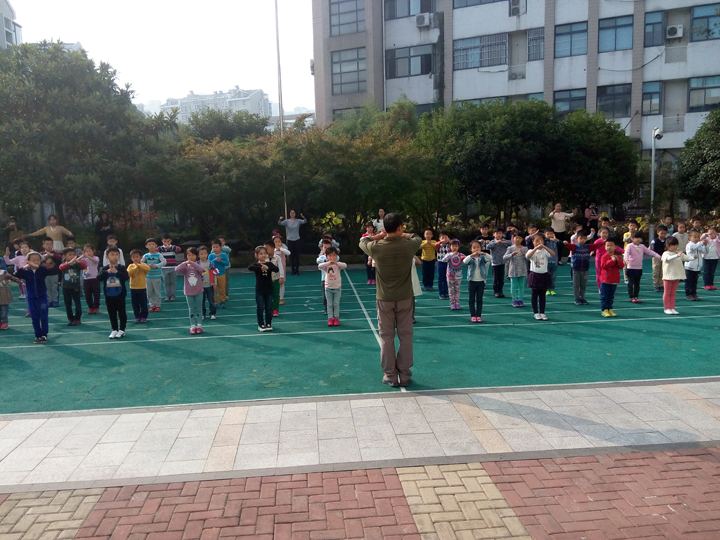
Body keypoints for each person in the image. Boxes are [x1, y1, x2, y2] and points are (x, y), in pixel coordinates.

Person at [359, 213, 422, 388]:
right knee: (406, 336)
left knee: (387, 337)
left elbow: (362, 241)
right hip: (405, 297)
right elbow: (416, 237)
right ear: (400, 227)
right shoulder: (408, 245)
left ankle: (390, 375)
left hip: (384, 298)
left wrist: (381, 235)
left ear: (384, 228)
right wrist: (400, 234)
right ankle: (405, 374)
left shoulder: (376, 247)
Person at [15, 251, 59, 343]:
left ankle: (44, 335)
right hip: (31, 298)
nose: (35, 262)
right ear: (28, 261)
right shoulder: (26, 272)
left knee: (43, 316)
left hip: (42, 297)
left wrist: (38, 266)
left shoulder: (41, 270)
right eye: (33, 260)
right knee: (34, 317)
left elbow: (47, 271)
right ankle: (37, 335)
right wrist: (25, 266)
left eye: (38, 260)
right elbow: (16, 274)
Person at [98, 247, 129, 339]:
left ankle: (122, 330)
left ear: (119, 256)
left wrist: (117, 272)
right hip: (108, 295)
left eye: (116, 255)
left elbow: (126, 277)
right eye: (112, 255)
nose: (115, 257)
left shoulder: (121, 268)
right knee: (112, 313)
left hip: (120, 294)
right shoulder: (104, 268)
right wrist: (106, 272)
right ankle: (114, 329)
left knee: (121, 312)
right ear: (107, 257)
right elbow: (98, 278)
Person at [248, 245, 279, 332]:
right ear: (256, 255)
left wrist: (267, 268)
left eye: (265, 253)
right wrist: (260, 267)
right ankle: (261, 324)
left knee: (269, 307)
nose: (263, 255)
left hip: (269, 289)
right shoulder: (256, 265)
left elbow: (276, 269)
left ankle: (268, 323)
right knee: (260, 308)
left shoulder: (269, 264)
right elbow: (250, 267)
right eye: (261, 254)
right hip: (259, 290)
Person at [623, 232, 660, 303]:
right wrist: (626, 259)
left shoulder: (642, 246)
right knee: (630, 283)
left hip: (639, 268)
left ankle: (636, 297)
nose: (638, 239)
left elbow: (649, 252)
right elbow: (626, 253)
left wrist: (658, 256)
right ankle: (631, 297)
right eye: (636, 238)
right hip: (631, 268)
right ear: (632, 238)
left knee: (637, 284)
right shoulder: (629, 246)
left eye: (639, 238)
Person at [176, 247, 206, 334]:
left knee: (199, 308)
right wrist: (185, 263)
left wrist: (193, 264)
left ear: (196, 256)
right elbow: (177, 269)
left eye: (193, 255)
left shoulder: (198, 265)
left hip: (199, 291)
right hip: (188, 292)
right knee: (191, 309)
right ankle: (193, 326)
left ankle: (199, 325)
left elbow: (202, 270)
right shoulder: (185, 267)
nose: (191, 257)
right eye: (189, 255)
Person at [564, 230, 597, 305]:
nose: (582, 240)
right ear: (577, 239)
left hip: (585, 269)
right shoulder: (574, 247)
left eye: (584, 238)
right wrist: (565, 243)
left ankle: (582, 297)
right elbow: (568, 245)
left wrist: (604, 241)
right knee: (576, 285)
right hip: (576, 269)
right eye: (581, 238)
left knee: (583, 285)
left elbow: (597, 245)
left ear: (586, 239)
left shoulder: (588, 247)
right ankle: (577, 298)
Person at [526, 234, 554, 320]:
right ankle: (536, 313)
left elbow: (553, 254)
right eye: (536, 241)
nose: (539, 243)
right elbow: (528, 256)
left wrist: (544, 247)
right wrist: (536, 248)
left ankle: (542, 312)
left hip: (544, 275)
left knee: (542, 295)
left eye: (541, 241)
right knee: (534, 295)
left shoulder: (545, 251)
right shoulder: (531, 250)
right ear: (533, 242)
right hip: (535, 275)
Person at [318, 246, 347, 326]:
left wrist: (336, 263)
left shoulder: (338, 265)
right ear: (326, 256)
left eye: (334, 255)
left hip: (337, 288)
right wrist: (328, 263)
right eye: (330, 256)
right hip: (328, 288)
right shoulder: (326, 265)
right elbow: (319, 266)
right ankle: (330, 318)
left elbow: (345, 265)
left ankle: (336, 318)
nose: (332, 257)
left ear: (336, 256)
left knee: (336, 304)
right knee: (329, 304)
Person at [662, 237, 691, 315]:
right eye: (673, 245)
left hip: (676, 276)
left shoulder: (678, 253)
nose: (675, 247)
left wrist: (693, 257)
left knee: (673, 293)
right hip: (668, 277)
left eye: (676, 245)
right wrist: (677, 256)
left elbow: (686, 258)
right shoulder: (666, 253)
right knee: (667, 293)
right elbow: (668, 259)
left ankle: (672, 308)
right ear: (668, 245)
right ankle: (666, 308)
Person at [464, 240, 492, 322]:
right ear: (471, 249)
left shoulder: (482, 257)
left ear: (481, 248)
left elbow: (490, 258)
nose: (476, 249)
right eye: (474, 247)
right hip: (472, 281)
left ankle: (479, 315)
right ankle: (473, 315)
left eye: (478, 247)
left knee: (479, 299)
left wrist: (484, 253)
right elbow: (464, 261)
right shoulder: (470, 258)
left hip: (481, 281)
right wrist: (471, 255)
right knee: (471, 299)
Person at [59, 248, 87, 326]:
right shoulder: (64, 264)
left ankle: (77, 318)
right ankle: (70, 318)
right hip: (66, 287)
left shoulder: (77, 264)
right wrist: (69, 263)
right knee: (68, 304)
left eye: (73, 255)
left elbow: (84, 266)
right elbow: (61, 268)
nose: (72, 256)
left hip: (76, 287)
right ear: (64, 256)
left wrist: (78, 261)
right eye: (70, 255)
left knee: (77, 303)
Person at [592, 227, 624, 292]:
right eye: (603, 233)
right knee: (599, 273)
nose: (605, 234)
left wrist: (625, 251)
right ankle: (600, 287)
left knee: (608, 272)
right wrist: (591, 251)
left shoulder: (609, 242)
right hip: (599, 260)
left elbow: (617, 248)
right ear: (600, 233)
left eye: (606, 233)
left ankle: (609, 285)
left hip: (608, 259)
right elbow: (593, 247)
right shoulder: (598, 241)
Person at [278, 210, 307, 276]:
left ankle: (297, 270)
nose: (292, 214)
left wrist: (303, 217)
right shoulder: (287, 221)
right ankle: (292, 270)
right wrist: (280, 219)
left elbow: (305, 221)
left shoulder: (298, 221)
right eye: (291, 213)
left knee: (297, 256)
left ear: (295, 214)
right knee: (291, 256)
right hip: (290, 240)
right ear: (289, 214)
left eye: (293, 213)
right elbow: (279, 223)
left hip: (297, 239)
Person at [599, 239, 624, 318]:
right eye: (607, 245)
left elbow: (621, 266)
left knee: (611, 296)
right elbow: (604, 265)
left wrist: (617, 260)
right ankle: (604, 310)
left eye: (611, 245)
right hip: (605, 280)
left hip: (614, 281)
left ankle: (610, 309)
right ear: (605, 247)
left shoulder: (617, 256)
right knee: (604, 296)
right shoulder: (604, 256)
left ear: (615, 247)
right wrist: (612, 261)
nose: (609, 247)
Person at [504, 233, 528, 308]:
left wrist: (524, 254)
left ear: (522, 239)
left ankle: (520, 299)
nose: (518, 239)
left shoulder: (525, 248)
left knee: (521, 285)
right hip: (513, 269)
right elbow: (504, 257)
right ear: (513, 238)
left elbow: (529, 258)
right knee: (513, 285)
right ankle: (514, 300)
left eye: (520, 238)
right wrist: (511, 254)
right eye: (516, 238)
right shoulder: (510, 248)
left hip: (522, 269)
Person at [127, 249, 150, 323]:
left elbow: (148, 269)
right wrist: (135, 267)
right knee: (135, 304)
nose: (135, 259)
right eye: (133, 257)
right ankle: (137, 316)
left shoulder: (143, 265)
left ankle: (144, 316)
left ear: (141, 257)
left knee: (143, 303)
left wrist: (139, 265)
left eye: (137, 257)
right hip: (133, 288)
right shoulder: (131, 266)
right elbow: (128, 273)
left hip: (142, 287)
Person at [442, 239, 465, 310]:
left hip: (458, 275)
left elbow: (467, 261)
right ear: (450, 246)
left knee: (457, 289)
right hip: (450, 275)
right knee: (451, 289)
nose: (454, 247)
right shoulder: (449, 255)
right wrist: (452, 254)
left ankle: (457, 303)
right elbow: (444, 260)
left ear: (458, 247)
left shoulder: (461, 255)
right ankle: (452, 303)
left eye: (456, 246)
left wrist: (464, 258)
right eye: (453, 246)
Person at [158, 234, 182, 302]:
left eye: (168, 241)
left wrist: (170, 247)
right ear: (162, 241)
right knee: (166, 283)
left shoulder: (173, 247)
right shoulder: (160, 248)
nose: (166, 243)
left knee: (173, 282)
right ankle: (167, 296)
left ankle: (172, 296)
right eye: (165, 241)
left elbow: (179, 249)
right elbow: (155, 250)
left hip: (173, 268)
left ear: (171, 241)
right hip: (164, 268)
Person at [684, 231, 707, 301]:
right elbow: (693, 248)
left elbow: (705, 251)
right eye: (695, 237)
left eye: (698, 237)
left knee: (694, 282)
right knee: (688, 282)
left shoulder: (698, 245)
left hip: (697, 268)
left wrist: (705, 245)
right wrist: (701, 243)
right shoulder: (689, 245)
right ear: (689, 237)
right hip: (689, 267)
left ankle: (694, 293)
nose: (697, 238)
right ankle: (688, 294)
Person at [40, 238, 63, 307]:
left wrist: (52, 255)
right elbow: (37, 259)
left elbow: (61, 258)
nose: (49, 246)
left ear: (53, 245)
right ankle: (49, 300)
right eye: (47, 244)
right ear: (43, 245)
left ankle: (55, 300)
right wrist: (44, 257)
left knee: (54, 288)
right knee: (47, 288)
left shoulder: (55, 253)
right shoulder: (41, 254)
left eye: (50, 244)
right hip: (45, 275)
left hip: (54, 274)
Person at [488, 228, 510, 298]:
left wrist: (503, 242)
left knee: (501, 278)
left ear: (502, 234)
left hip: (502, 262)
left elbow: (511, 243)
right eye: (497, 233)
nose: (499, 235)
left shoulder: (504, 241)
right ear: (494, 234)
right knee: (495, 278)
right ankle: (496, 291)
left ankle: (500, 291)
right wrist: (495, 243)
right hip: (495, 262)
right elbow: (488, 246)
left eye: (500, 233)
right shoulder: (492, 242)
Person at [263, 240, 283, 317]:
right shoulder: (264, 258)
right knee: (267, 295)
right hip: (266, 280)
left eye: (267, 249)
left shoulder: (277, 258)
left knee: (275, 295)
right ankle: (268, 309)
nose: (265, 251)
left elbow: (280, 268)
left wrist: (281, 277)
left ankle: (275, 309)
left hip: (275, 279)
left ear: (273, 248)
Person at [209, 239, 230, 308]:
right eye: (213, 247)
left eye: (217, 247)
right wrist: (215, 260)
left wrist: (221, 261)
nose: (215, 249)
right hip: (213, 275)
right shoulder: (211, 255)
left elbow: (227, 263)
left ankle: (222, 301)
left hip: (222, 274)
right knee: (214, 289)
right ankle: (215, 302)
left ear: (220, 247)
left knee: (222, 289)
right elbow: (208, 264)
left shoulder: (224, 255)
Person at [79, 244, 100, 315]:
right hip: (86, 279)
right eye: (86, 251)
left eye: (89, 251)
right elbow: (76, 261)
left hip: (94, 278)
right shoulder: (83, 259)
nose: (88, 253)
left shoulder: (96, 257)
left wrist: (87, 256)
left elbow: (96, 261)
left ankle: (96, 307)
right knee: (87, 294)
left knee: (96, 293)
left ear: (94, 251)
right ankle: (91, 307)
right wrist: (82, 256)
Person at [198, 246, 217, 320]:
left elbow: (214, 274)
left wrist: (215, 283)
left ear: (208, 254)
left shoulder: (211, 264)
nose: (203, 255)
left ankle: (212, 313)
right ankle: (203, 314)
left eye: (205, 253)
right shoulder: (197, 264)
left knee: (211, 301)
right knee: (201, 301)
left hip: (210, 285)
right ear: (198, 255)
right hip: (200, 286)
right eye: (201, 254)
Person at [317, 239, 333, 314]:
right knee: (325, 295)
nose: (327, 249)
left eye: (328, 248)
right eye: (325, 247)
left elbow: (338, 258)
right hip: (325, 279)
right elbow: (318, 261)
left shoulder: (334, 257)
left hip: (333, 279)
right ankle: (326, 307)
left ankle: (333, 307)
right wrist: (326, 260)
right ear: (322, 248)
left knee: (333, 294)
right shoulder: (321, 257)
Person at [650, 225, 668, 292]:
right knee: (656, 271)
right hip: (656, 258)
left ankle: (661, 285)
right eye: (661, 233)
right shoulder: (654, 240)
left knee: (663, 271)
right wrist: (656, 255)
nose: (663, 235)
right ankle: (656, 285)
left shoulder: (667, 240)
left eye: (664, 233)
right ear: (657, 232)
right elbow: (651, 249)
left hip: (664, 257)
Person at [273, 235, 290, 305]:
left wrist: (281, 249)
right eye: (275, 242)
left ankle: (281, 298)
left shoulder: (283, 248)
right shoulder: (272, 250)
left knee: (281, 283)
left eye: (279, 241)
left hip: (281, 269)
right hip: (273, 269)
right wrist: (275, 250)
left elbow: (288, 253)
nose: (277, 243)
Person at [435, 232, 451, 300]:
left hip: (448, 263)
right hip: (440, 263)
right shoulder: (438, 245)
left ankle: (446, 292)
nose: (444, 239)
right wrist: (440, 241)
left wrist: (450, 241)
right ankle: (441, 293)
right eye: (442, 237)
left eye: (446, 237)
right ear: (439, 239)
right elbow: (436, 245)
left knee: (447, 278)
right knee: (441, 278)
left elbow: (455, 244)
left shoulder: (449, 245)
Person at [543, 229, 560, 295]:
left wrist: (556, 239)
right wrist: (549, 239)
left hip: (554, 261)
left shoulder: (555, 241)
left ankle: (552, 289)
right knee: (546, 275)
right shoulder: (545, 241)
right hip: (546, 261)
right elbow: (543, 241)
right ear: (545, 235)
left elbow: (561, 244)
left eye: (551, 234)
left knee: (553, 276)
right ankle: (546, 289)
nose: (550, 235)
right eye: (548, 234)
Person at [218, 235, 233, 300]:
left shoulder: (226, 248)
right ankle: (220, 293)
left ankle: (226, 294)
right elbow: (211, 253)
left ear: (225, 242)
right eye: (219, 241)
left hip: (226, 267)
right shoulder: (215, 248)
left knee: (226, 281)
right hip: (218, 267)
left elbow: (229, 250)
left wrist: (221, 247)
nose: (221, 242)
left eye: (222, 241)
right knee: (218, 281)